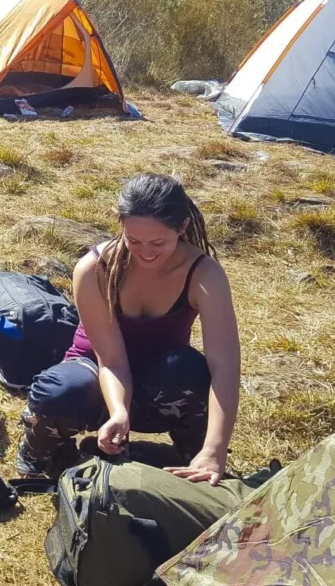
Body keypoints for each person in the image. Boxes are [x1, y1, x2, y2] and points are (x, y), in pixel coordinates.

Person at [15, 174, 242, 484]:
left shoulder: (205, 275)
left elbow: (225, 365)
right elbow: (111, 360)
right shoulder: (95, 268)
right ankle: (39, 449)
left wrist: (216, 448)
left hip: (159, 383)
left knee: (189, 370)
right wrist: (119, 413)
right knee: (58, 392)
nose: (145, 252)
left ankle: (198, 456)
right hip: (97, 374)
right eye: (133, 240)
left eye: (158, 242)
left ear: (183, 227)